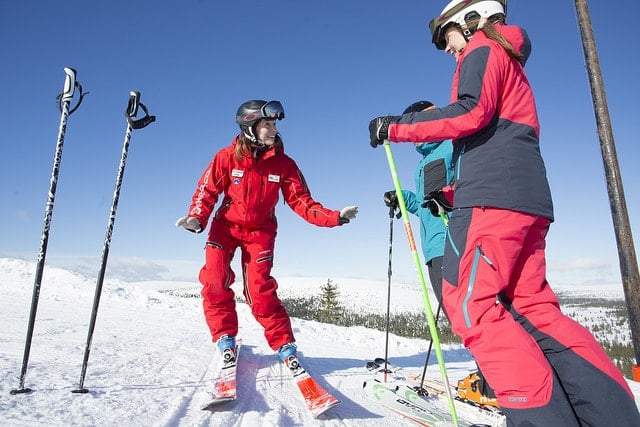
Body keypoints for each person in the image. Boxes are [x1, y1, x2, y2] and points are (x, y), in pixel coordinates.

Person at [368, 1, 640, 425]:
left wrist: (396, 127)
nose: (445, 48)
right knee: (532, 308)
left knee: (470, 304)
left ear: (468, 19)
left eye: (446, 36)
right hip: (524, 199)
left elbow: (470, 111)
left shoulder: (482, 48)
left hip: (492, 199)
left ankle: (539, 417)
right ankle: (613, 415)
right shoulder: (509, 59)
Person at [177, 99, 358, 370]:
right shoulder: (226, 157)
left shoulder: (284, 164)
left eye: (274, 125)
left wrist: (335, 217)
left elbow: (302, 202)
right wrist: (196, 217)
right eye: (268, 125)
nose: (274, 130)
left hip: (260, 232)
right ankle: (225, 337)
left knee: (259, 291)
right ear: (250, 127)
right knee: (215, 280)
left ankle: (285, 344)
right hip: (224, 228)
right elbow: (207, 190)